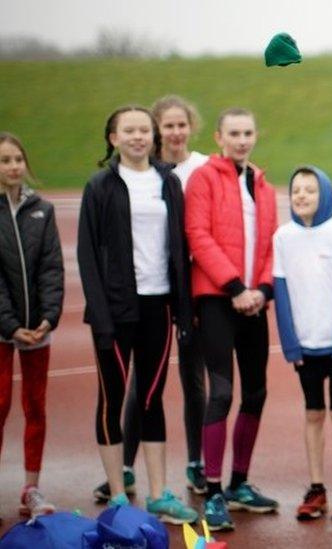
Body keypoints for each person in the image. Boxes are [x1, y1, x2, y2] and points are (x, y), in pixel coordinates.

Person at [76, 106, 198, 524]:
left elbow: (180, 248)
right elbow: (87, 256)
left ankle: (160, 494)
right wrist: (102, 315)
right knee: (112, 400)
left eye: (144, 130)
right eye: (128, 131)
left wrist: (182, 310)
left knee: (150, 399)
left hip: (158, 306)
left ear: (153, 136)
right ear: (113, 138)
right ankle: (117, 497)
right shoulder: (100, 186)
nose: (137, 137)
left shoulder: (169, 182)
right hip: (113, 309)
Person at [98, 95, 212, 503]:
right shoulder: (115, 182)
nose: (175, 132)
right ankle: (122, 473)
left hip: (182, 294)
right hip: (130, 299)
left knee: (185, 384)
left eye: (183, 124)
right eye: (167, 125)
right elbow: (93, 249)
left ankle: (186, 470)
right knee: (130, 391)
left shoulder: (190, 173)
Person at [185, 107, 278, 530]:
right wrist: (235, 287)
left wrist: (261, 289)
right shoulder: (204, 177)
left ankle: (240, 483)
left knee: (255, 392)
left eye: (248, 133)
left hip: (254, 301)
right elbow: (198, 235)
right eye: (234, 133)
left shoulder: (262, 184)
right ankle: (213, 490)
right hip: (217, 300)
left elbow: (271, 241)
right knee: (221, 392)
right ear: (220, 137)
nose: (241, 140)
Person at [273, 166, 332, 521]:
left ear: (324, 193)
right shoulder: (283, 237)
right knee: (313, 413)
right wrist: (291, 345)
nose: (301, 196)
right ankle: (316, 487)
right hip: (304, 346)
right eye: (296, 190)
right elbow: (280, 292)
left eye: (309, 190)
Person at [0, 133, 63, 518]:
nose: (12, 166)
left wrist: (47, 317)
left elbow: (52, 267)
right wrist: (9, 323)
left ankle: (31, 487)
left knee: (35, 406)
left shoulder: (43, 209)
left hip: (38, 329)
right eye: (5, 160)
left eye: (17, 159)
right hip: (3, 329)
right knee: (0, 403)